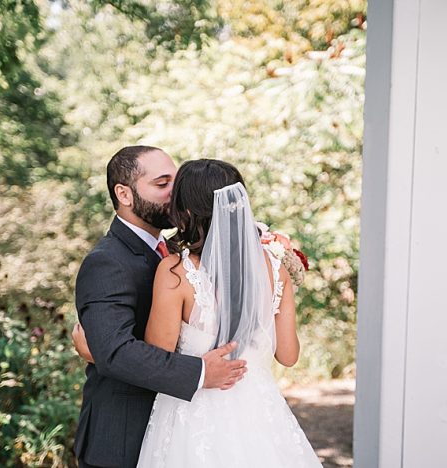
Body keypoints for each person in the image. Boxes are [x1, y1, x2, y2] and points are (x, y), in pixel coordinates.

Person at [134, 159, 320, 467]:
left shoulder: (176, 272)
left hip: (193, 414)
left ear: (188, 210)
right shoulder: (276, 267)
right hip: (259, 412)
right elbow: (288, 355)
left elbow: (158, 354)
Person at [72, 146, 247, 468]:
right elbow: (114, 353)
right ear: (124, 194)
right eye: (162, 184)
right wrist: (201, 372)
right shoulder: (106, 262)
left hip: (186, 430)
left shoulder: (179, 251)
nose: (174, 193)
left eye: (176, 182)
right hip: (124, 438)